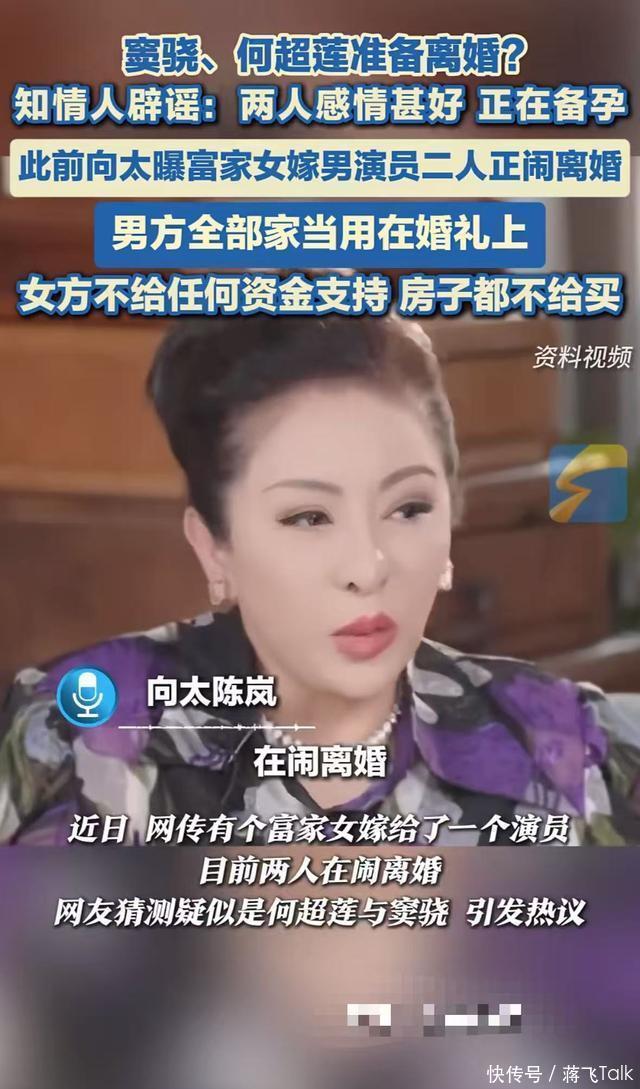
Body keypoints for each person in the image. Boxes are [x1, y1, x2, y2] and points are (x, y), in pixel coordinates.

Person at [1, 312, 639, 846]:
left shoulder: (570, 745)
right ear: (215, 548)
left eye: (408, 509)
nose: (368, 568)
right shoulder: (68, 734)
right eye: (308, 517)